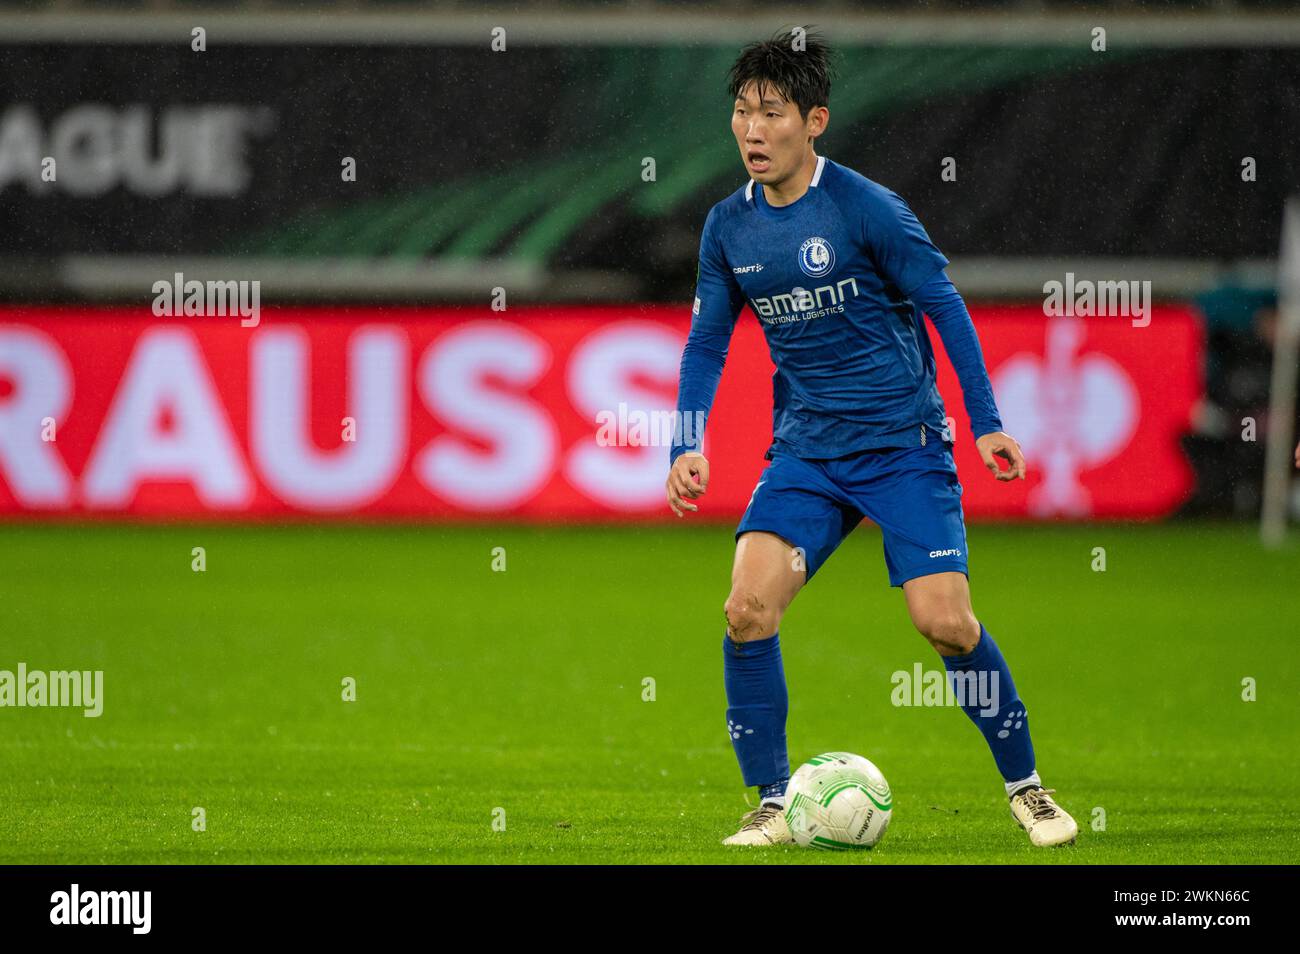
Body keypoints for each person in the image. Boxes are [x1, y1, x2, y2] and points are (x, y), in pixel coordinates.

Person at [665, 29, 1077, 848]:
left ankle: (1028, 788)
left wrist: (986, 420)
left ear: (814, 121)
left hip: (903, 446)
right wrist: (685, 440)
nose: (753, 130)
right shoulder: (727, 229)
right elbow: (708, 342)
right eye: (742, 113)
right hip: (808, 452)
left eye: (771, 113)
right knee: (747, 609)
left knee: (947, 625)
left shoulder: (867, 208)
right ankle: (773, 803)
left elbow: (943, 306)